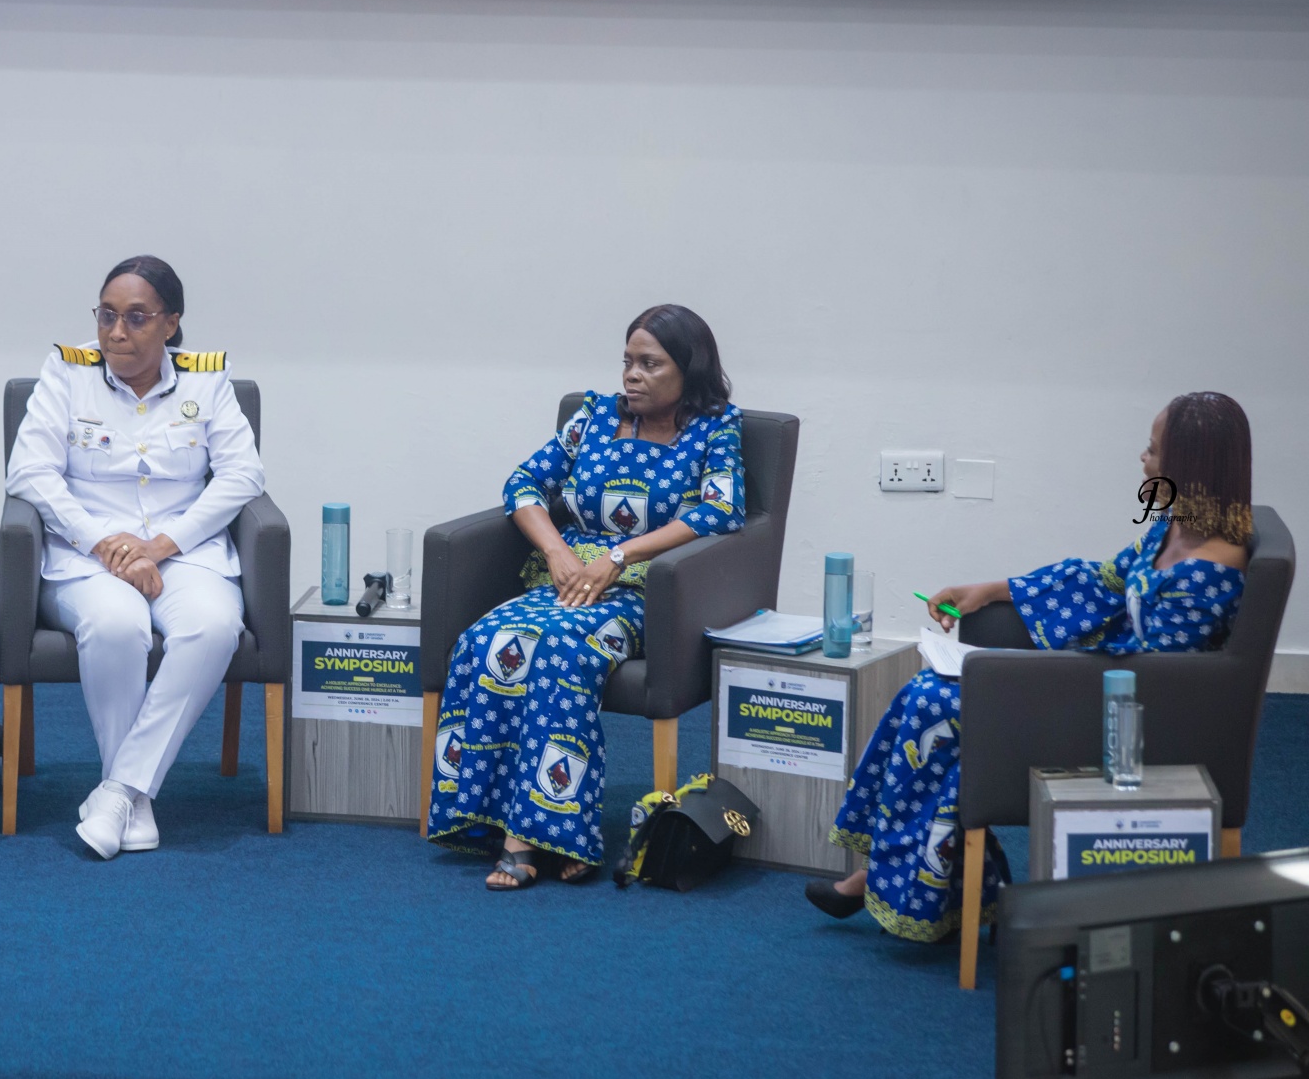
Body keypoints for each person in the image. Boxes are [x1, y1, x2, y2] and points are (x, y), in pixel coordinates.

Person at [810, 393, 1255, 941]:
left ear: (1191, 463)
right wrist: (990, 591)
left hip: (1131, 724)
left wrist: (1034, 680)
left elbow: (1160, 677)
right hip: (1098, 687)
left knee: (939, 704)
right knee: (928, 693)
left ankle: (907, 880)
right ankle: (902, 876)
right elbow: (1102, 580)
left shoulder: (1213, 568)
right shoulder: (1176, 529)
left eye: (1154, 450)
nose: (1143, 460)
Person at [425, 306, 745, 890]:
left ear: (688, 369)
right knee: (482, 641)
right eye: (628, 361)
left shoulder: (714, 428)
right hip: (565, 576)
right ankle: (487, 819)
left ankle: (535, 839)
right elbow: (522, 484)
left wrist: (620, 557)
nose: (633, 375)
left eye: (650, 364)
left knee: (560, 652)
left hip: (641, 587)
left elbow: (719, 509)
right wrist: (556, 552)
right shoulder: (591, 418)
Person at [5, 257, 264, 859]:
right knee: (117, 623)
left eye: (136, 318)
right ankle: (135, 798)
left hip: (183, 556)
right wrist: (108, 544)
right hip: (85, 558)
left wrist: (160, 546)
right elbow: (29, 473)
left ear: (171, 324)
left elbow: (244, 475)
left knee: (214, 625)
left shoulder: (207, 382)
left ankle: (122, 792)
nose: (116, 332)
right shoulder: (67, 374)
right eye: (107, 315)